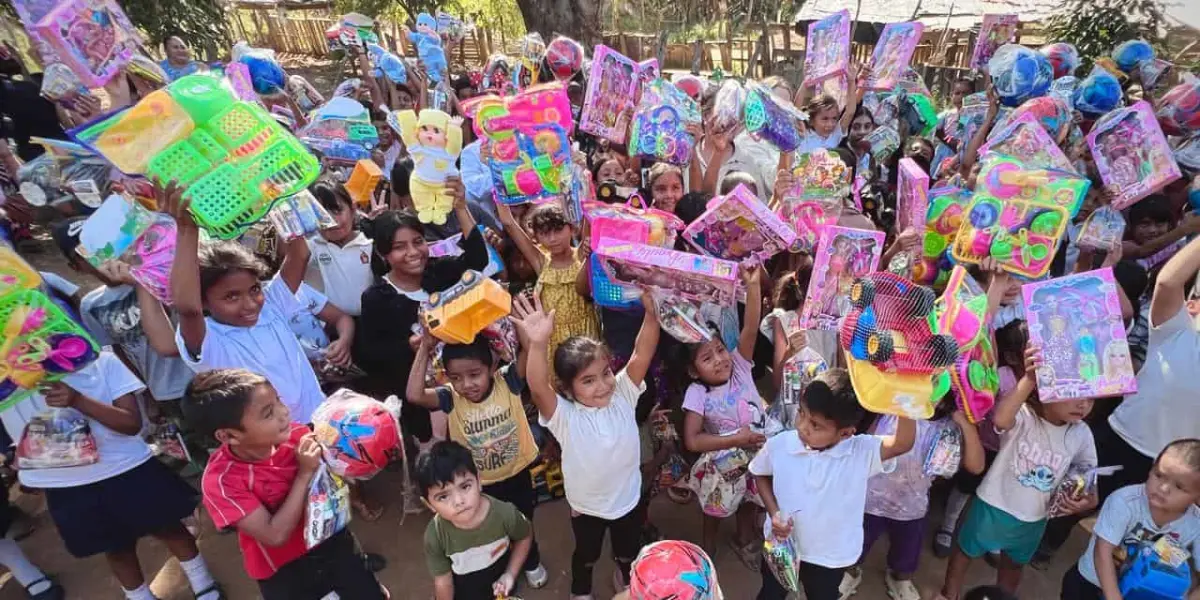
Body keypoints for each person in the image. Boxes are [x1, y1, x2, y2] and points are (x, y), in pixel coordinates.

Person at [0, 351, 220, 600]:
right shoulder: (7, 384)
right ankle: (139, 596)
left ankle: (203, 583)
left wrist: (76, 399)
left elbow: (130, 424)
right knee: (116, 547)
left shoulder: (101, 362)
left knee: (169, 528)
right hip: (66, 486)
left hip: (126, 469)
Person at [184, 369, 386, 599]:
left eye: (278, 400)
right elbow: (274, 535)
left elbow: (340, 473)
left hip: (332, 540)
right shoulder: (222, 482)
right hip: (286, 570)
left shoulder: (298, 435)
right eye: (268, 413)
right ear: (228, 436)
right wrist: (304, 474)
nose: (284, 412)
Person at [162, 181, 351, 424]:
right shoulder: (210, 341)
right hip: (276, 444)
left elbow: (300, 254)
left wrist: (274, 197)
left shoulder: (271, 307)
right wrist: (187, 231)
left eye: (254, 290)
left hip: (320, 420)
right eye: (231, 297)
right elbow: (187, 308)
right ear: (204, 302)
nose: (250, 304)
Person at [513, 290, 660, 599]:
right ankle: (581, 591)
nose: (603, 384)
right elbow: (538, 387)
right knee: (586, 556)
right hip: (587, 508)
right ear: (568, 389)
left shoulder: (623, 393)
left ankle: (627, 579)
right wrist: (538, 344)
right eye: (588, 380)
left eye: (605, 373)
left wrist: (651, 314)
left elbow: (641, 354)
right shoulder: (565, 417)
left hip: (629, 502)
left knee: (628, 553)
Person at [937, 346, 1098, 600]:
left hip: (1035, 518)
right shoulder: (1024, 415)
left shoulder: (1082, 434)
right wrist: (1030, 378)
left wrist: (1088, 499)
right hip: (993, 503)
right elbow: (1000, 420)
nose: (1083, 404)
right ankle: (949, 593)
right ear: (1047, 387)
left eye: (1090, 398)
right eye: (1075, 393)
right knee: (965, 550)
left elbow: (1089, 477)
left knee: (1013, 565)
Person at [752, 369, 916, 600]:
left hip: (829, 558)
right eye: (801, 413)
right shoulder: (781, 444)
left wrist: (906, 400)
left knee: (822, 595)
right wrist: (774, 512)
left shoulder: (860, 452)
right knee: (771, 594)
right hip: (781, 545)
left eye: (816, 425)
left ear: (846, 433)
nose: (803, 427)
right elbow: (760, 474)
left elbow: (901, 444)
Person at [407, 335, 548, 588]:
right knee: (490, 528)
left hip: (517, 474)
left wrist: (528, 333)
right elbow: (414, 395)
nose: (466, 384)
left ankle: (530, 559)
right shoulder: (450, 397)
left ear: (492, 368)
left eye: (475, 374)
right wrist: (425, 349)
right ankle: (505, 568)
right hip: (477, 484)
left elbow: (529, 347)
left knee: (523, 521)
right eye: (456, 378)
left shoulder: (509, 381)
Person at [841, 401, 986, 600]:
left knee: (907, 552)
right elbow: (867, 442)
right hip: (870, 500)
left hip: (912, 507)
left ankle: (900, 579)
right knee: (856, 542)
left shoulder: (948, 427)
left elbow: (976, 466)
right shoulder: (893, 407)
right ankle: (851, 572)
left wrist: (965, 423)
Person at [678, 265, 765, 563]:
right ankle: (707, 549)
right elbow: (693, 440)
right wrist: (735, 439)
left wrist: (752, 286)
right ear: (693, 370)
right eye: (706, 357)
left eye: (719, 350)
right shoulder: (697, 393)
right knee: (715, 507)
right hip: (723, 463)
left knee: (752, 498)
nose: (718, 360)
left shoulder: (740, 365)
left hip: (757, 452)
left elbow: (751, 327)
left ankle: (744, 537)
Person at [1102, 235, 1200, 499]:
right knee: (1064, 511)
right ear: (1193, 306)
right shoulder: (1178, 332)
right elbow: (1168, 282)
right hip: (1120, 438)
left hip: (1175, 472)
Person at [1061, 438, 1200, 600]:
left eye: (1179, 487)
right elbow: (1102, 552)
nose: (1163, 488)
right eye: (1159, 475)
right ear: (1151, 468)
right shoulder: (1124, 501)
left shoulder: (1195, 525)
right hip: (1091, 584)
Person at [419, 440, 535, 600]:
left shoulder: (505, 514)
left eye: (465, 486)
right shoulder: (435, 536)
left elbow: (524, 536)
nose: (459, 501)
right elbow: (443, 582)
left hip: (500, 590)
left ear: (479, 481)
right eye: (443, 496)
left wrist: (510, 575)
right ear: (429, 504)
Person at [498, 202, 599, 368]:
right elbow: (508, 223)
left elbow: (589, 216)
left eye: (558, 230)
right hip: (553, 340)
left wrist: (583, 186)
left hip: (585, 335)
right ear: (536, 237)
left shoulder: (581, 255)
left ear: (572, 228)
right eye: (545, 233)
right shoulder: (540, 261)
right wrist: (498, 187)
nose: (552, 238)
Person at [303, 180, 374, 316]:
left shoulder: (370, 243)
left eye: (337, 210)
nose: (331, 221)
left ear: (353, 209)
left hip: (370, 324)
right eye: (320, 214)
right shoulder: (313, 247)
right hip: (333, 327)